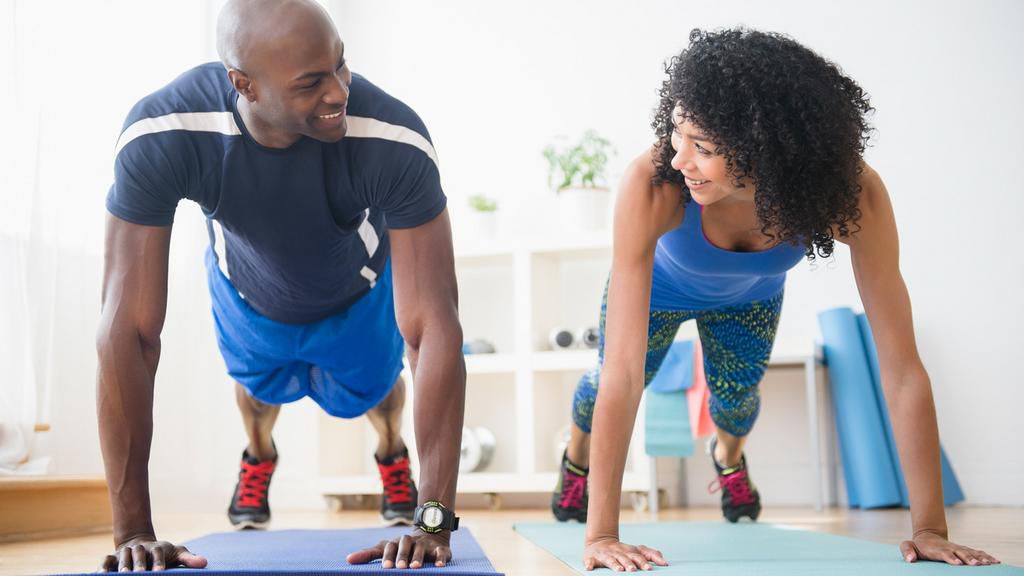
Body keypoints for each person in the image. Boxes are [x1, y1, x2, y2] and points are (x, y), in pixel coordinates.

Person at [550, 28, 1001, 571]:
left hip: (750, 299)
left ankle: (728, 460)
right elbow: (624, 369)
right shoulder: (654, 183)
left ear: (769, 152)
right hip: (661, 293)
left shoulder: (849, 195)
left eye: (705, 148)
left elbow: (902, 369)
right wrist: (601, 536)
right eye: (677, 132)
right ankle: (575, 464)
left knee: (736, 403)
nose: (681, 158)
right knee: (602, 381)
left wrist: (929, 528)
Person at [96, 0, 465, 571]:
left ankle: (392, 454)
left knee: (375, 392)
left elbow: (433, 329)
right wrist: (132, 533)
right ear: (242, 84)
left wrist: (433, 519)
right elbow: (129, 332)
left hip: (356, 292)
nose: (340, 91)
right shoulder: (166, 132)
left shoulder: (390, 136)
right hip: (249, 291)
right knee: (259, 391)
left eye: (341, 65)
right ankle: (259, 455)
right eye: (311, 81)